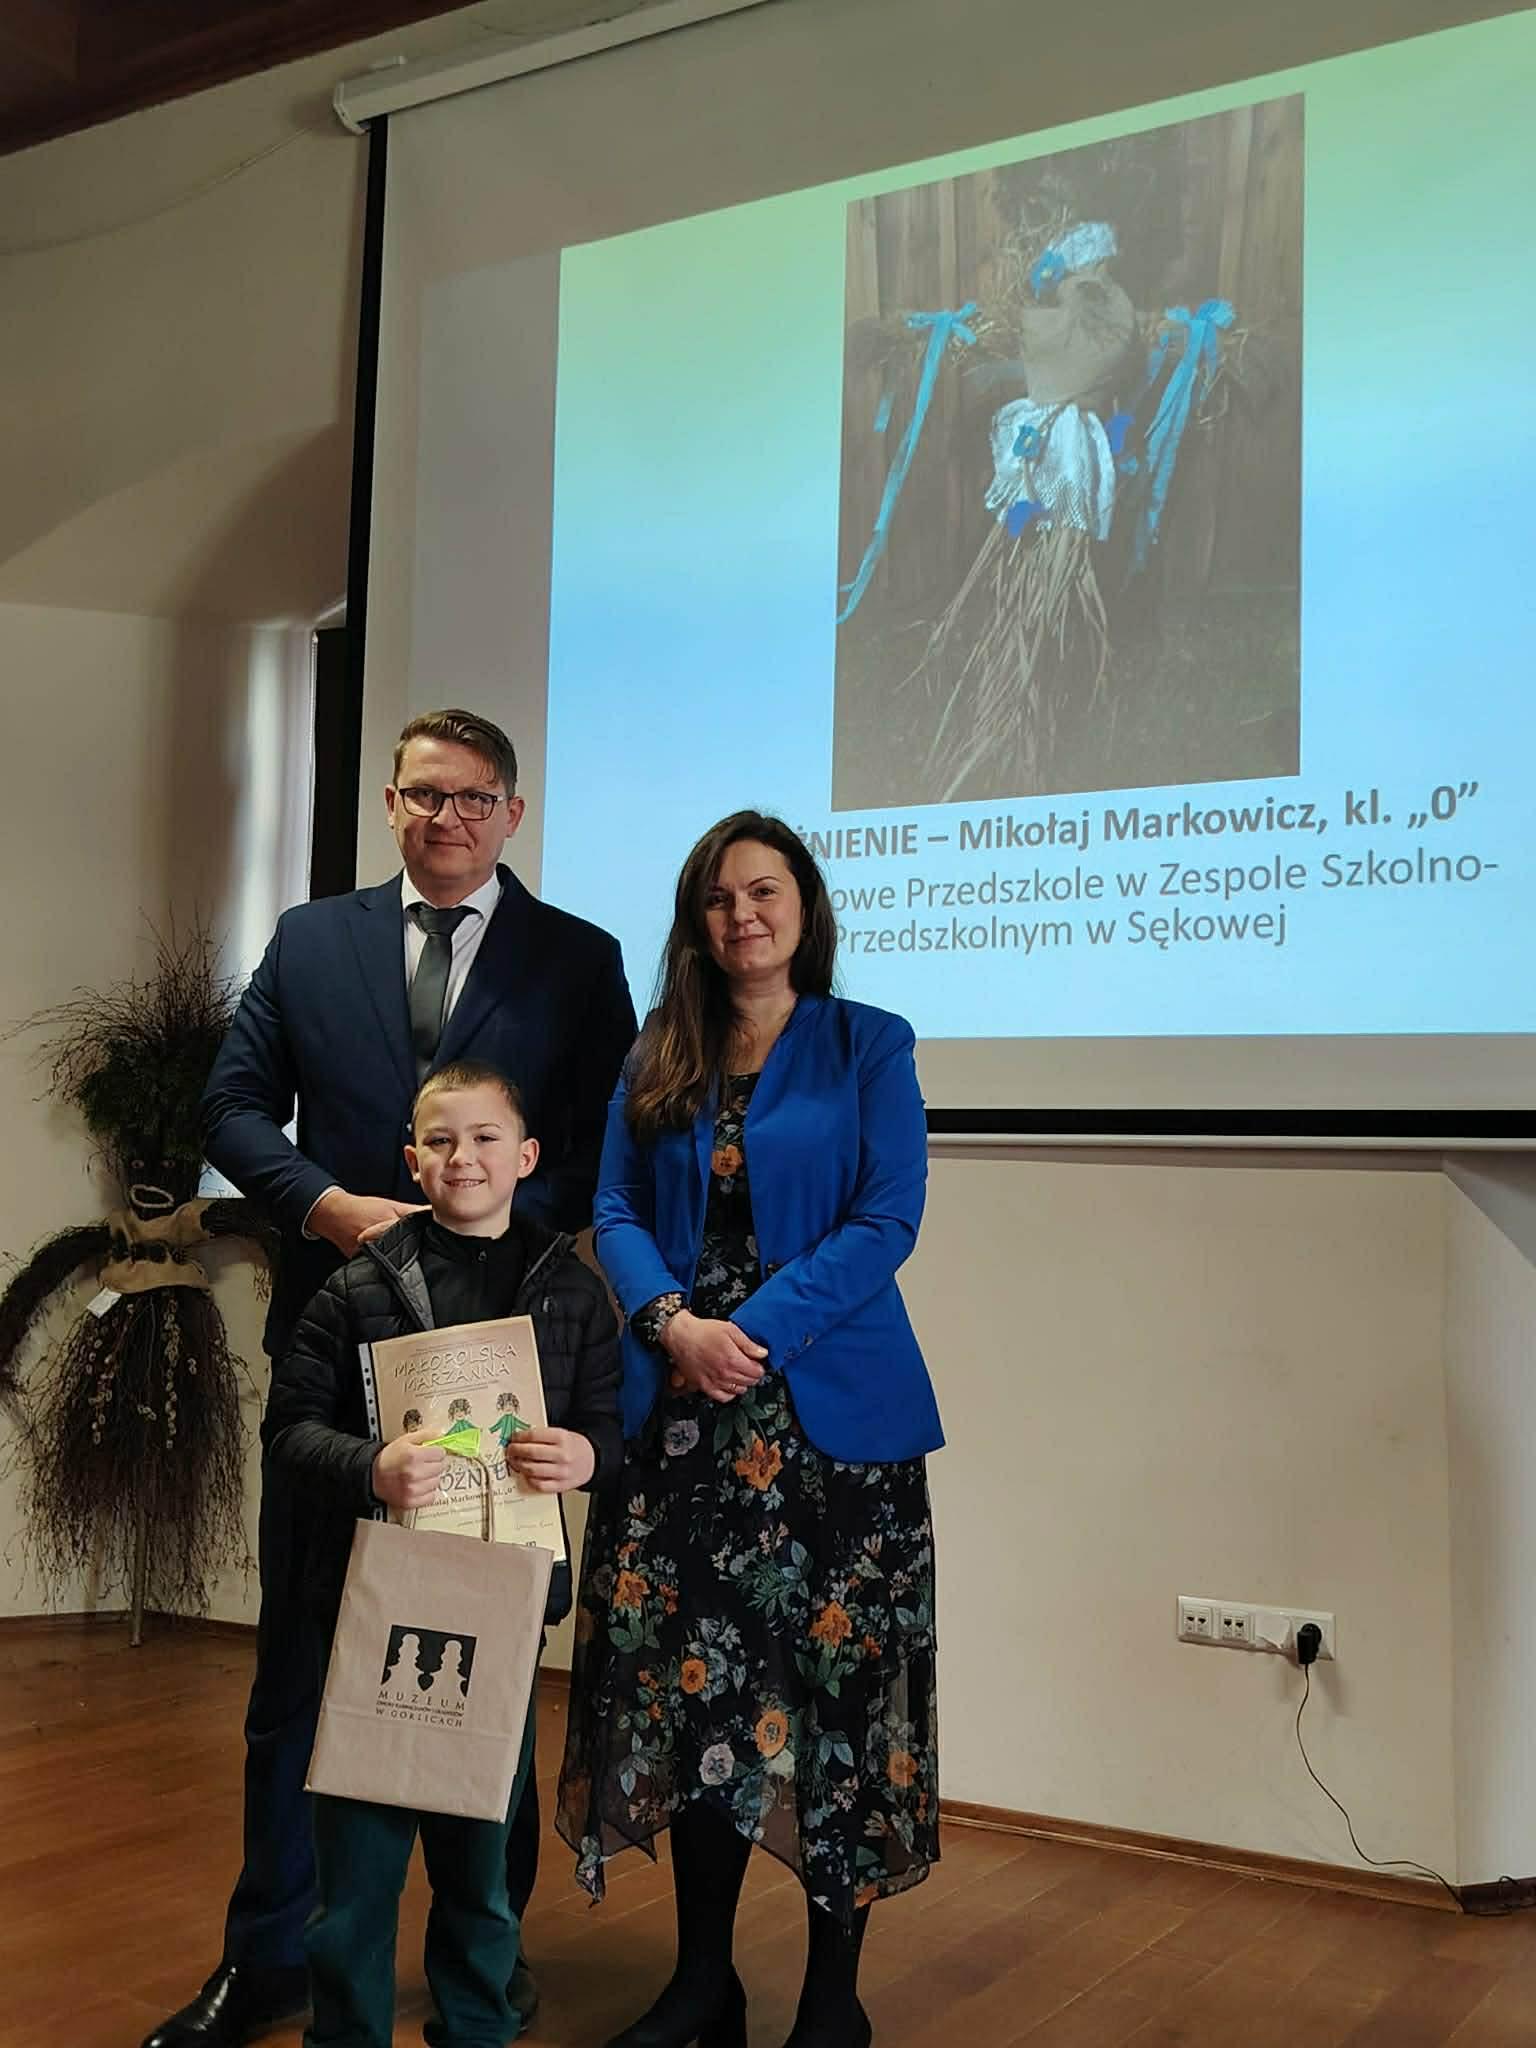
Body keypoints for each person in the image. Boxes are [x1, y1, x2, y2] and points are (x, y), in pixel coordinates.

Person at [145, 709, 636, 2048]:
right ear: (390, 802)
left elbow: (609, 1142)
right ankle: (270, 1955)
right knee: (301, 1674)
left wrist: (499, 1227)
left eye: (473, 797)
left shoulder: (580, 959)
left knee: (489, 1676)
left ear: (511, 813)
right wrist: (332, 1209)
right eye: (424, 794)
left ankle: (488, 1966)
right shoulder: (311, 941)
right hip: (339, 1339)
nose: (447, 818)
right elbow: (232, 1107)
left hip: (502, 1371)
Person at [557, 812, 943, 2048]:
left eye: (764, 891)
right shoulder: (657, 1050)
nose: (743, 915)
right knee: (693, 1695)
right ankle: (702, 1982)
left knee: (840, 1700)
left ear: (805, 906)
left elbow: (886, 1218)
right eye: (720, 898)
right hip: (680, 1416)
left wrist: (748, 1332)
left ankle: (833, 1998)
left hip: (831, 1425)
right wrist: (674, 1324)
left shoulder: (869, 1042)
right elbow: (613, 1204)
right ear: (698, 919)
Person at [264, 1059, 622, 2048]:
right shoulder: (353, 1288)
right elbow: (289, 1431)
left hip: (504, 1603)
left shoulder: (574, 1293)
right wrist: (372, 1465)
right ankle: (347, 2031)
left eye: (486, 1138)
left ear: (527, 1156)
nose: (464, 1157)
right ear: (411, 1160)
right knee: (357, 1869)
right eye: (441, 1141)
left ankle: (476, 2026)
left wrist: (588, 1455)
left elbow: (610, 1428)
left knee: (481, 1865)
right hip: (376, 1601)